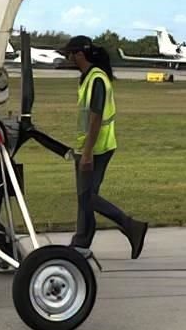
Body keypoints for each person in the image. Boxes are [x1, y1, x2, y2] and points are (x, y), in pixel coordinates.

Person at [58, 35, 148, 258]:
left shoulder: (96, 79)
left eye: (69, 54)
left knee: (87, 197)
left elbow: (96, 118)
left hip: (96, 149)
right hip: (92, 146)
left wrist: (87, 153)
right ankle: (82, 242)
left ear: (80, 54)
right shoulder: (89, 77)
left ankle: (130, 226)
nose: (67, 58)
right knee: (86, 196)